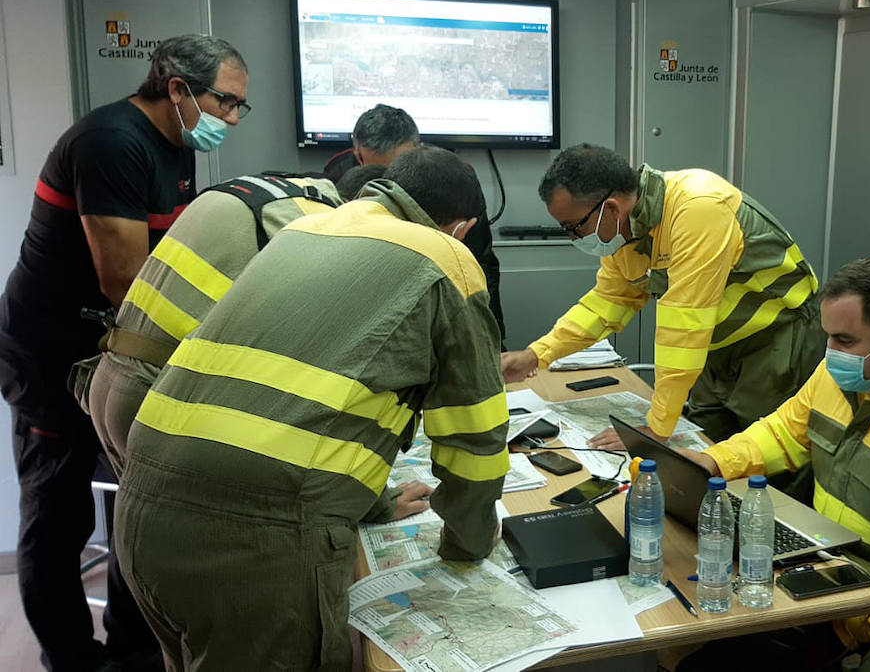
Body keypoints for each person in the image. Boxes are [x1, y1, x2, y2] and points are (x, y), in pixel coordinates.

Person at [115, 146, 508, 671]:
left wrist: (373, 503)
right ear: (462, 228)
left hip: (142, 505)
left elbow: (302, 396)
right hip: (252, 541)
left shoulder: (305, 229)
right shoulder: (446, 259)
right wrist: (469, 545)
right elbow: (474, 435)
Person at [0, 33, 248, 672]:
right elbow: (127, 280)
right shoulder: (111, 142)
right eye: (225, 103)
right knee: (57, 516)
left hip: (113, 348)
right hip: (51, 354)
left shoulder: (174, 147)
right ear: (176, 89)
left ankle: (133, 651)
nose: (231, 119)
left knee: (136, 502)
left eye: (239, 107)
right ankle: (71, 659)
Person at [678, 258, 870, 672]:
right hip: (839, 570)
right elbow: (782, 434)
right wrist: (713, 461)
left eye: (844, 340)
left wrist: (848, 627)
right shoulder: (847, 375)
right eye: (827, 337)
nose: (830, 353)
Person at [502, 145, 825, 443]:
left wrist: (655, 428)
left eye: (574, 227)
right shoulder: (624, 231)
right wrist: (537, 355)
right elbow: (606, 304)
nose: (573, 239)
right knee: (702, 452)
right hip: (714, 347)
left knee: (770, 458)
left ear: (611, 208)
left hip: (776, 342)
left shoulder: (698, 208)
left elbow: (682, 331)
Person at [77, 171, 343, 477]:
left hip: (111, 377)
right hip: (157, 396)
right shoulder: (322, 222)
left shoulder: (265, 193)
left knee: (144, 520)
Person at [324, 104, 505, 339]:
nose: (394, 181)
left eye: (402, 166)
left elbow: (480, 260)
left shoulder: (454, 177)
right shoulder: (337, 181)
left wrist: (492, 337)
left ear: (418, 149)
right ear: (358, 156)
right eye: (384, 171)